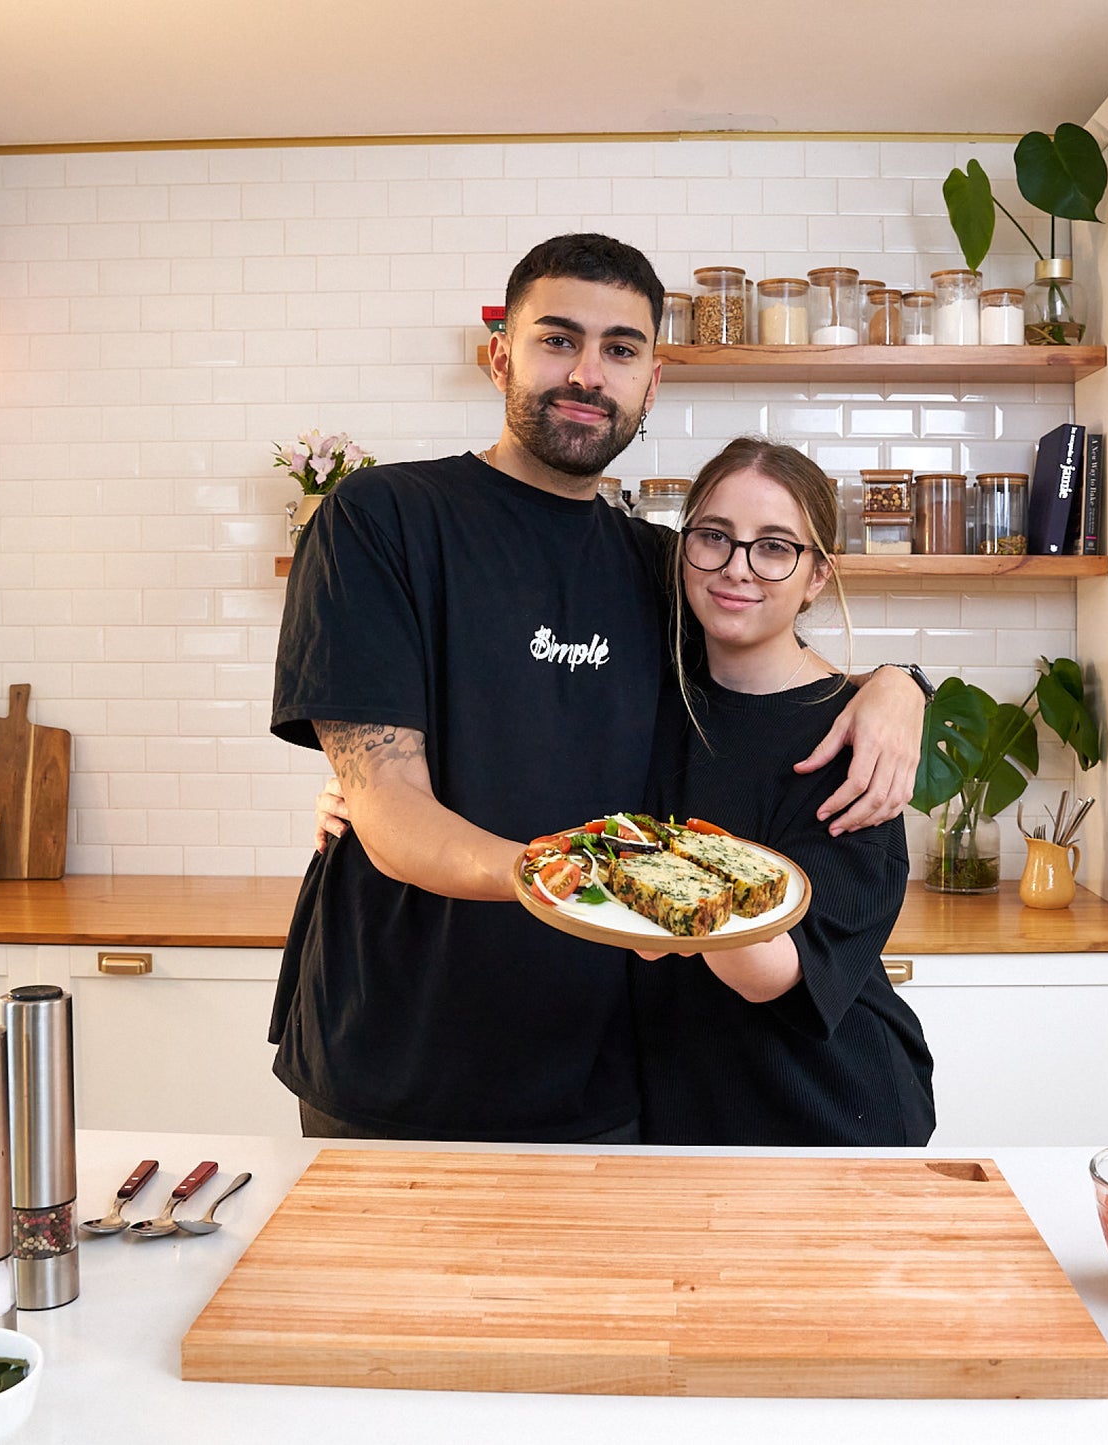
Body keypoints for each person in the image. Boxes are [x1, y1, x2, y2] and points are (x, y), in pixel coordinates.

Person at [272, 232, 926, 1144]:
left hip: (597, 1074)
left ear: (650, 381)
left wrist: (903, 683)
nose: (587, 373)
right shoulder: (379, 520)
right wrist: (580, 879)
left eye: (620, 349)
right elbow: (389, 810)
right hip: (396, 1053)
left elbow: (777, 661)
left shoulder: (662, 567)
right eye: (557, 339)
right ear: (501, 354)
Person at [630, 438, 934, 1145]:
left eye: (773, 547)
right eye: (713, 537)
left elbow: (771, 972)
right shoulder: (651, 696)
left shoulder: (852, 747)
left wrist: (661, 892)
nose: (736, 568)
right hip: (675, 1111)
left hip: (826, 1114)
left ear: (816, 576)